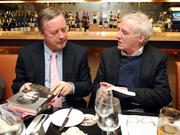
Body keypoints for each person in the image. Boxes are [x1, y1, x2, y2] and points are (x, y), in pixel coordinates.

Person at [89, 12, 172, 113]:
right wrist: (100, 90)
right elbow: (96, 85)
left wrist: (128, 92)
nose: (117, 35)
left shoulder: (157, 58)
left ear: (141, 37)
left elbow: (163, 95)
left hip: (140, 113)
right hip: (110, 110)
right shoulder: (108, 55)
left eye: (124, 32)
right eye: (118, 30)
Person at [12, 7, 92, 108]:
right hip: (37, 107)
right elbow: (16, 85)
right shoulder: (26, 54)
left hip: (69, 107)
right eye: (54, 32)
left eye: (63, 30)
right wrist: (22, 87)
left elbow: (87, 86)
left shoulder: (79, 53)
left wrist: (71, 87)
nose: (62, 36)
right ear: (42, 34)